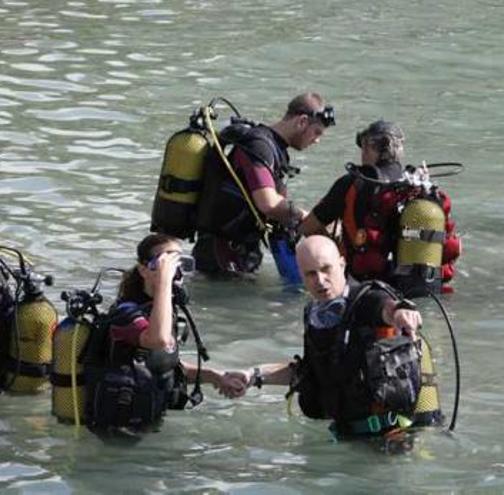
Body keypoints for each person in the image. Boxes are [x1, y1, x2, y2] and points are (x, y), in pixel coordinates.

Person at [221, 235, 443, 439]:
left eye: (326, 269)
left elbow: (386, 308)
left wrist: (401, 312)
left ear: (342, 264)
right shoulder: (313, 314)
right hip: (346, 439)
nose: (320, 280)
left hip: (391, 439)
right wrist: (253, 375)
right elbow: (306, 371)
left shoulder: (367, 300)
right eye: (310, 273)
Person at [83, 233, 240, 436]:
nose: (175, 271)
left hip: (145, 422)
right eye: (165, 262)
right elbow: (158, 340)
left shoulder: (165, 310)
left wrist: (215, 376)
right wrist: (163, 283)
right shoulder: (127, 313)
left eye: (180, 263)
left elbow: (160, 365)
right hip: (115, 432)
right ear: (143, 270)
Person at [299, 120, 461, 295]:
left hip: (366, 289)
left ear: (369, 147)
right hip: (421, 287)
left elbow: (308, 227)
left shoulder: (352, 184)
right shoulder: (418, 186)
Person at [193, 92, 335, 275]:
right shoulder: (259, 145)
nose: (317, 140)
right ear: (302, 121)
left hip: (240, 251)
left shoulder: (277, 150)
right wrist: (309, 217)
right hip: (221, 255)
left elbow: (277, 210)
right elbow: (268, 203)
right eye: (316, 132)